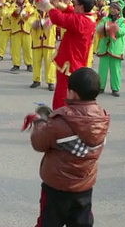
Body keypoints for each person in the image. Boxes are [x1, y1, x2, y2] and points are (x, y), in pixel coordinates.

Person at [29, 67, 110, 227]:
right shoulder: (102, 117)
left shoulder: (61, 121)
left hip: (57, 187)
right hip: (84, 185)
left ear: (72, 93)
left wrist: (39, 121)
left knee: (49, 222)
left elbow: (38, 142)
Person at [41, 0, 96, 110]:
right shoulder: (89, 17)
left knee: (63, 92)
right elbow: (70, 11)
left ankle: (60, 114)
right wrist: (58, 4)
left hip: (70, 62)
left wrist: (47, 5)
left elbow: (59, 18)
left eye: (75, 4)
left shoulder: (80, 20)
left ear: (81, 7)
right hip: (77, 60)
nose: (73, 6)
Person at [96, 0, 125, 97]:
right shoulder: (104, 19)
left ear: (119, 10)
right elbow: (98, 29)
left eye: (115, 9)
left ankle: (115, 88)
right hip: (104, 48)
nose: (113, 10)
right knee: (102, 69)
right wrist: (103, 29)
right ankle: (100, 87)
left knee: (116, 70)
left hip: (116, 49)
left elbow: (123, 32)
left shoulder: (123, 21)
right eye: (111, 8)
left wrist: (116, 29)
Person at [30, 7, 57, 91]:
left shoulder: (53, 12)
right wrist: (35, 23)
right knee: (36, 61)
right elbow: (31, 22)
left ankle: (50, 81)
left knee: (50, 63)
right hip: (37, 40)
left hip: (49, 41)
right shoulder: (33, 12)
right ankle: (36, 80)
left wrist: (48, 22)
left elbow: (55, 22)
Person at [9, 0, 35, 72]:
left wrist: (27, 14)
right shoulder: (13, 6)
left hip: (26, 30)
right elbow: (8, 15)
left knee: (28, 48)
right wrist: (15, 13)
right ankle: (16, 64)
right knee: (15, 49)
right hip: (15, 30)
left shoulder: (29, 6)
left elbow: (33, 15)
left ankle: (29, 64)